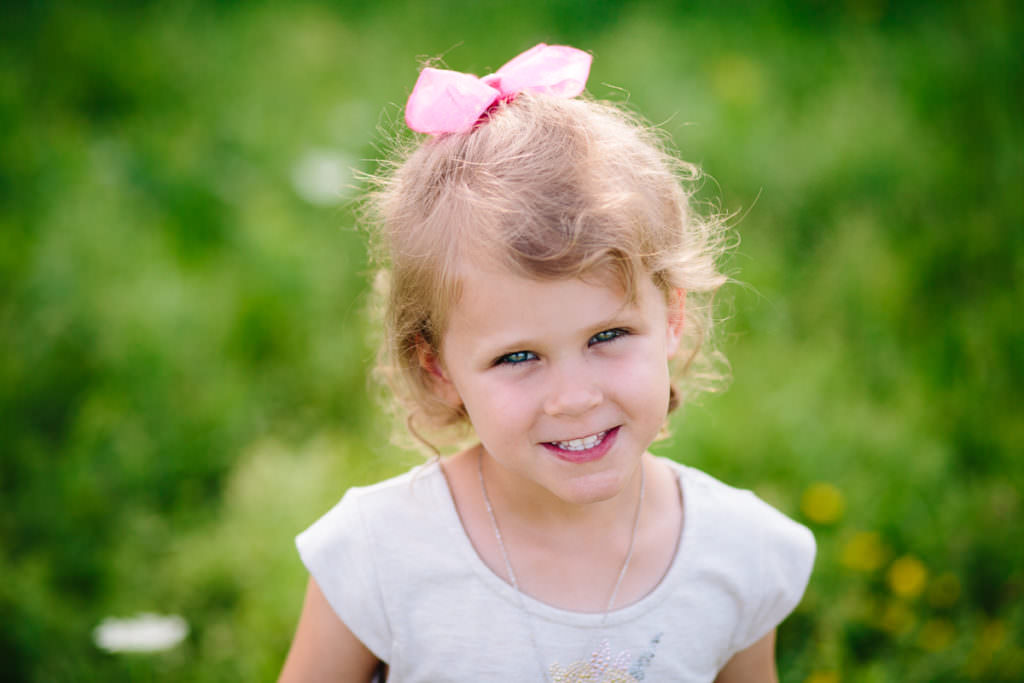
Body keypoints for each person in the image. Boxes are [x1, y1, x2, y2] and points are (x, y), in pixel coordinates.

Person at [278, 43, 815, 683]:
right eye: (518, 356)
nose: (574, 397)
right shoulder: (378, 557)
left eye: (607, 335)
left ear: (670, 317)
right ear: (439, 368)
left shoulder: (738, 555)